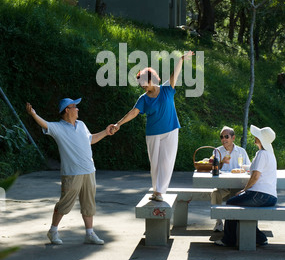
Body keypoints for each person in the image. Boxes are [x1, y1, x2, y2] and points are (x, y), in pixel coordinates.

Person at [26, 98, 115, 245]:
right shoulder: (58, 128)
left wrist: (105, 132)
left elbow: (91, 139)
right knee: (64, 204)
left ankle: (89, 233)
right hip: (72, 173)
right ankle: (53, 231)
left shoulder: (81, 125)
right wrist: (34, 114)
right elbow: (45, 124)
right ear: (67, 110)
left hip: (89, 170)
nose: (78, 109)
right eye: (75, 107)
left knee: (89, 204)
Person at [111, 51, 194, 201]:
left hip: (171, 130)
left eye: (143, 82)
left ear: (151, 80)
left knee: (167, 162)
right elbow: (133, 113)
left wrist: (181, 60)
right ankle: (156, 191)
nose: (141, 85)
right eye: (140, 83)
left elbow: (175, 74)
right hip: (153, 133)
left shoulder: (167, 89)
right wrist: (118, 124)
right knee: (154, 163)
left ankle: (160, 192)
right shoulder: (143, 99)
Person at [215, 124, 277, 247]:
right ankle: (260, 238)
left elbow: (255, 177)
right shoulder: (269, 153)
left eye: (257, 136)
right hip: (269, 196)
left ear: (261, 140)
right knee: (238, 207)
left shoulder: (262, 154)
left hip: (260, 195)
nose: (254, 137)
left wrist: (244, 189)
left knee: (231, 204)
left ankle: (228, 240)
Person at [211, 126, 250, 231]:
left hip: (238, 186)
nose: (224, 139)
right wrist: (222, 162)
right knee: (215, 193)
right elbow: (213, 170)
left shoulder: (241, 151)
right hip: (223, 186)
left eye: (226, 136)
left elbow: (249, 168)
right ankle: (218, 222)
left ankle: (239, 223)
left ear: (233, 138)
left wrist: (242, 170)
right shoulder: (217, 151)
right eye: (221, 137)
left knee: (244, 195)